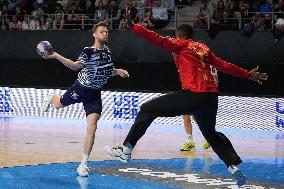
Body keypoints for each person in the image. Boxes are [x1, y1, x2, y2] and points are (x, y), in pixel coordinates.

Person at [104, 19, 268, 187]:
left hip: (194, 94)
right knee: (210, 134)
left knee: (147, 109)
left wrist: (134, 27)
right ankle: (232, 167)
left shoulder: (181, 45)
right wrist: (249, 75)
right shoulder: (203, 48)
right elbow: (225, 66)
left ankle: (126, 150)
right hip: (211, 98)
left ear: (179, 36)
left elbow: (156, 38)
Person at [40, 21, 129, 177]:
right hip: (80, 89)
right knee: (58, 104)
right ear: (94, 34)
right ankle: (52, 97)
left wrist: (118, 71)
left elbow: (107, 70)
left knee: (92, 127)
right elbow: (75, 66)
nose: (105, 34)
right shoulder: (88, 51)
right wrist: (56, 56)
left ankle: (83, 164)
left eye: (107, 32)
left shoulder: (107, 52)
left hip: (94, 94)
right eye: (102, 31)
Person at [180, 66, 218, 151]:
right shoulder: (188, 61)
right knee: (186, 115)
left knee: (196, 116)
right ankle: (190, 142)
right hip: (188, 92)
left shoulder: (209, 63)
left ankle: (208, 137)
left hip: (200, 93)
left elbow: (215, 80)